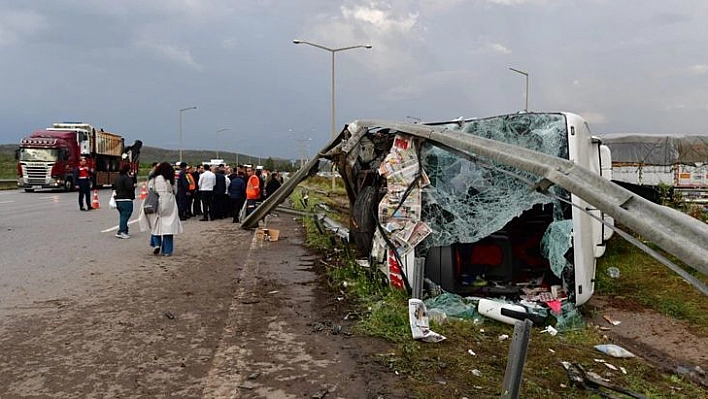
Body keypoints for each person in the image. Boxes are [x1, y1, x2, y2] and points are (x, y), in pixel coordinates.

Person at [138, 161, 183, 256]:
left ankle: (156, 244)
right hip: (169, 202)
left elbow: (149, 188)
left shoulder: (154, 179)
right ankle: (167, 251)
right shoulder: (171, 180)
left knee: (156, 225)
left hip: (156, 202)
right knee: (168, 227)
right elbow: (175, 190)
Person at [112, 164, 136, 238]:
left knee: (123, 215)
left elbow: (113, 187)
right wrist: (133, 185)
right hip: (126, 199)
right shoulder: (127, 178)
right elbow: (130, 187)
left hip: (118, 199)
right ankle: (122, 231)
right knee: (125, 215)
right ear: (128, 170)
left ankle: (124, 229)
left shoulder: (117, 178)